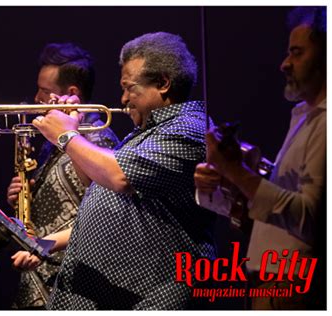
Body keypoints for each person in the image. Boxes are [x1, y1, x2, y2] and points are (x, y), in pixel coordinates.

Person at [12, 32, 217, 310]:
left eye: (129, 87)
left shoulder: (189, 129)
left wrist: (67, 136)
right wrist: (46, 243)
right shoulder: (146, 134)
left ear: (163, 83)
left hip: (151, 298)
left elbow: (119, 177)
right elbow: (113, 212)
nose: (122, 99)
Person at [194, 7, 326, 310]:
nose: (284, 64)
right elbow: (274, 211)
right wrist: (227, 180)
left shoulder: (325, 120)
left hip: (292, 289)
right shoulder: (305, 116)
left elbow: (310, 218)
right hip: (272, 285)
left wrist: (237, 172)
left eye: (296, 53)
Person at [7, 42, 119, 309]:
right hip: (38, 283)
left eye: (44, 91)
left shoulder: (98, 141)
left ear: (71, 93)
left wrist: (43, 247)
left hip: (73, 288)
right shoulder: (51, 139)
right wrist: (22, 199)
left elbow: (105, 220)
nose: (37, 98)